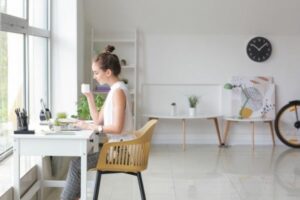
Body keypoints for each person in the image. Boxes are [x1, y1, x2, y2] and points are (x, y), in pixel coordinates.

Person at [61, 45, 134, 200]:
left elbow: (118, 128)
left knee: (76, 165)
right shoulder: (114, 90)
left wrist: (94, 127)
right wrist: (89, 97)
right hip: (115, 149)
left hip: (121, 152)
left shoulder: (118, 92)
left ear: (108, 72)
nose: (94, 76)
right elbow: (98, 120)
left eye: (96, 72)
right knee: (77, 164)